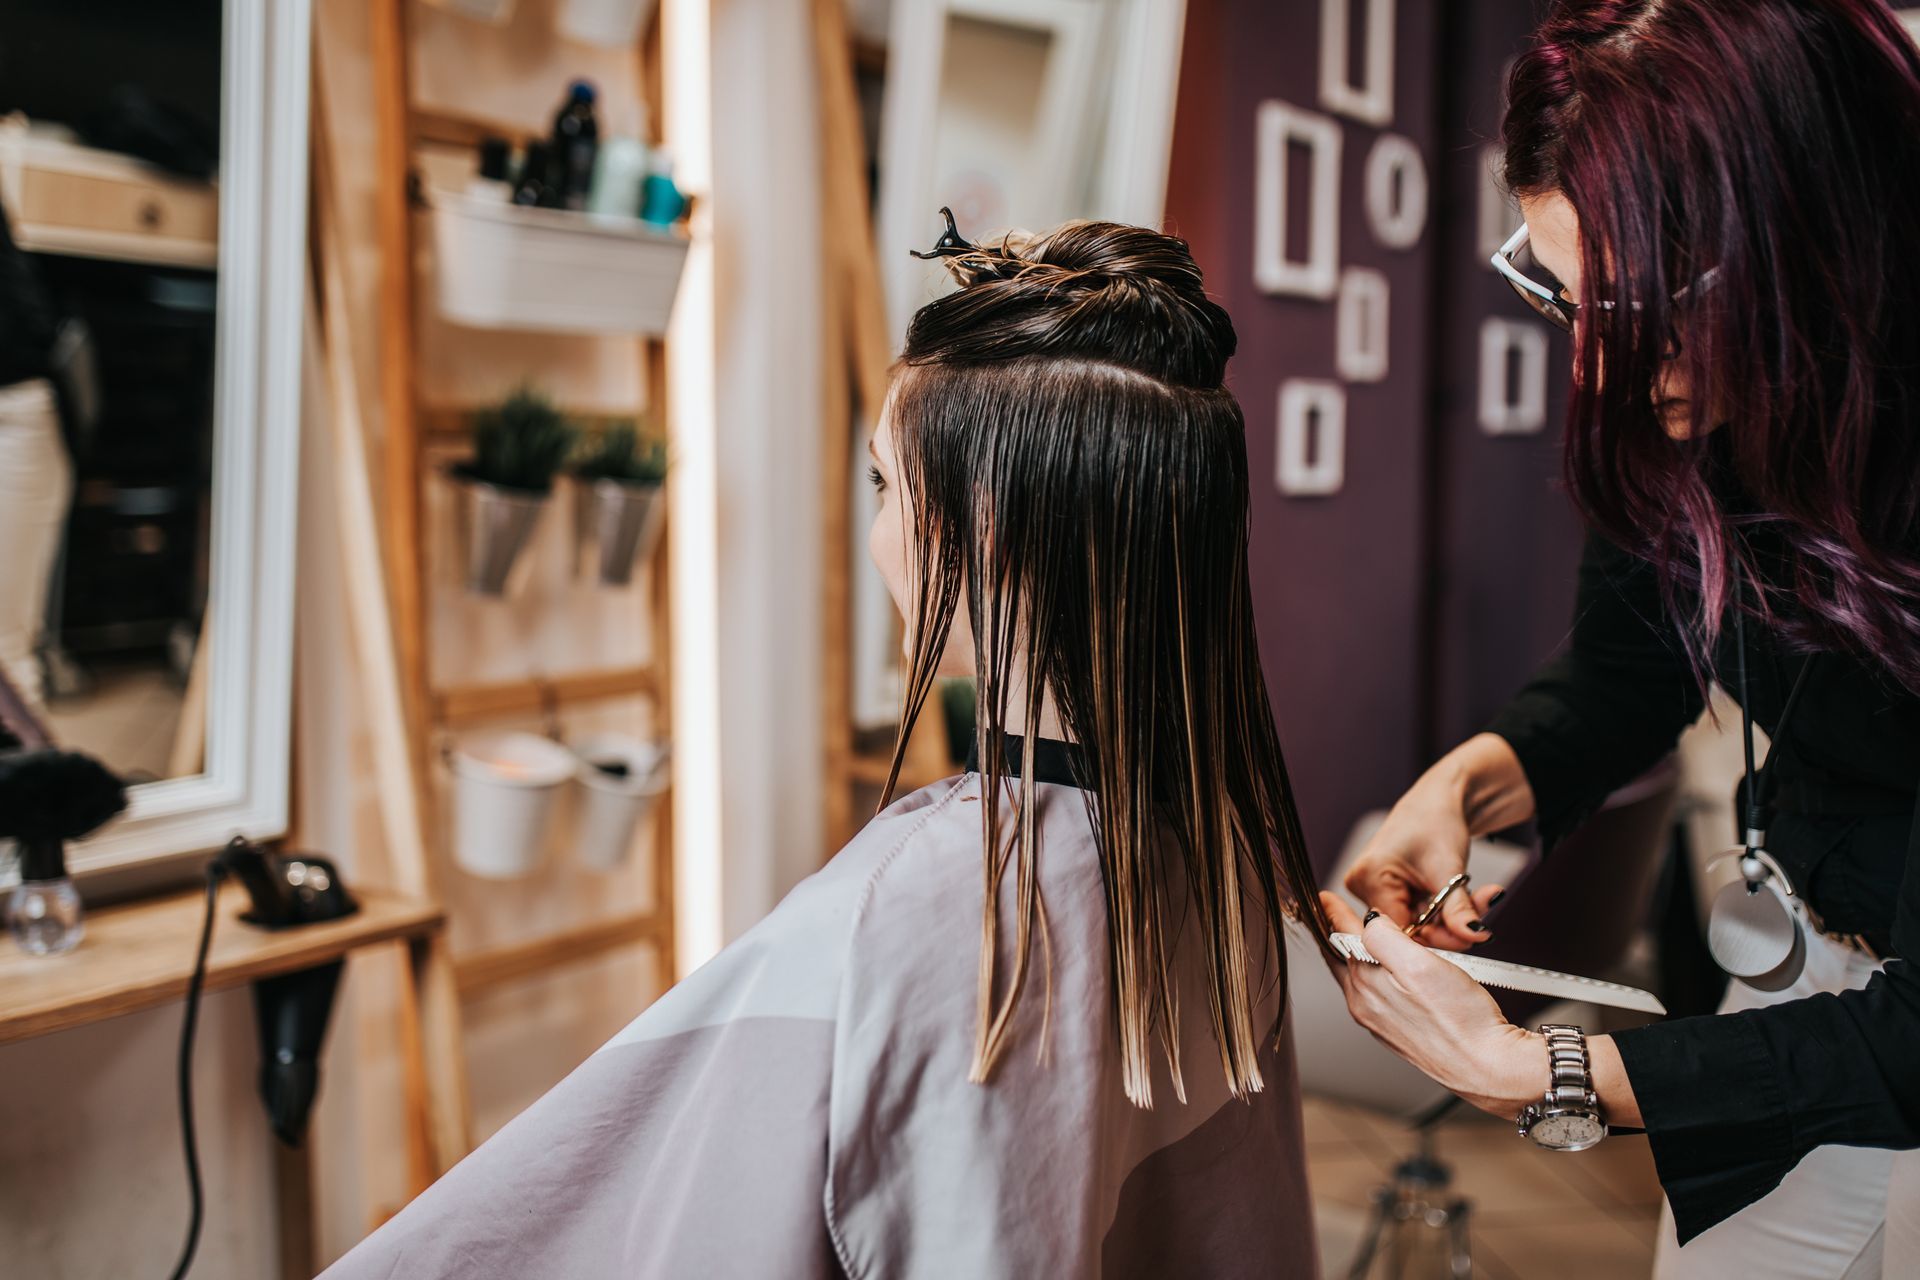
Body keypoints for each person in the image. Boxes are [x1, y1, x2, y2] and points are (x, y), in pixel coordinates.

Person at [321, 217, 1331, 1278]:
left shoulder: (900, 916)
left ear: (985, 527)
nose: (880, 532)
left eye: (886, 486)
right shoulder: (1225, 856)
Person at [1324, 2, 1920, 1276]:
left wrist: (1528, 1067)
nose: (1602, 367)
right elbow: (1626, 664)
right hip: (1809, 964)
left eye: (1645, 305)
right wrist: (1465, 788)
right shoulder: (1690, 410)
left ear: (1822, 229)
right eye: (1566, 299)